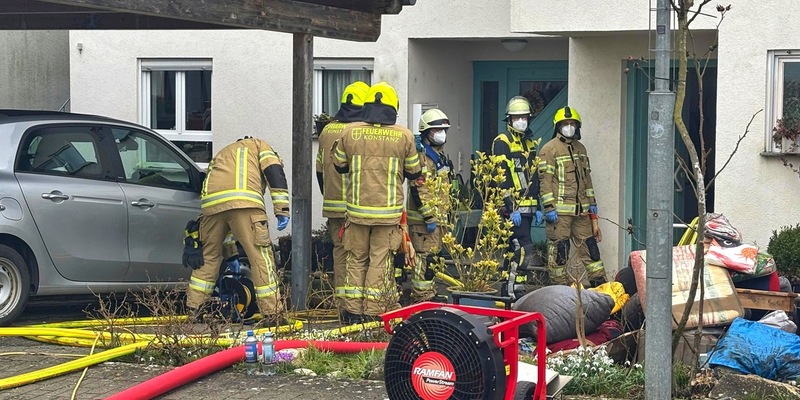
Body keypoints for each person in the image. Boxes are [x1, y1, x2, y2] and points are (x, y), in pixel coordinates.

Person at [331, 82, 423, 323]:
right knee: (379, 262)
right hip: (388, 214)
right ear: (393, 107)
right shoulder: (404, 136)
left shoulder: (349, 132)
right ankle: (373, 313)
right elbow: (414, 171)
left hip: (356, 213)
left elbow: (339, 165)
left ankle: (353, 313)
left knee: (356, 259)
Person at [186, 136, 290, 325]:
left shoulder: (223, 153)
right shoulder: (260, 146)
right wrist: (281, 209)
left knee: (208, 258)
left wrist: (232, 255)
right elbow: (274, 172)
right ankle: (272, 313)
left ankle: (194, 309)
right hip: (245, 203)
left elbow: (226, 222)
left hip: (211, 207)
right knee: (260, 258)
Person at [315, 81, 369, 313]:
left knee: (340, 252)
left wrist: (328, 194)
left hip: (333, 204)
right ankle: (358, 304)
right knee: (359, 254)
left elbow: (319, 170)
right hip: (356, 206)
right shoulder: (360, 131)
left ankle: (342, 302)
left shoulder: (327, 130)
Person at [537, 106, 605, 286]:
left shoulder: (581, 149)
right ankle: (560, 289)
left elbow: (586, 179)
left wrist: (592, 203)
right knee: (560, 252)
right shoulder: (549, 149)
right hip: (559, 214)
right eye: (565, 124)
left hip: (581, 212)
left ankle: (601, 286)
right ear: (558, 126)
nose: (569, 127)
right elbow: (545, 181)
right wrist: (549, 207)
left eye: (572, 123)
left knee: (591, 250)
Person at [406, 108, 453, 302]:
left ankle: (429, 293)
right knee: (424, 258)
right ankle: (421, 296)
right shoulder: (422, 157)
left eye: (443, 130)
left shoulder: (438, 155)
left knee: (433, 258)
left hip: (437, 219)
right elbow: (419, 189)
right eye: (436, 130)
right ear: (426, 132)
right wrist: (429, 216)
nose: (441, 134)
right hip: (423, 221)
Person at [491, 95, 542, 258]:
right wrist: (511, 208)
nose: (521, 121)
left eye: (524, 117)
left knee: (514, 250)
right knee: (524, 249)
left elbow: (533, 177)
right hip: (513, 210)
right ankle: (516, 276)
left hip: (528, 210)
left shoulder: (529, 143)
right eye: (516, 118)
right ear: (509, 120)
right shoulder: (502, 141)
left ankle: (511, 276)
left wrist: (538, 207)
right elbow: (501, 177)